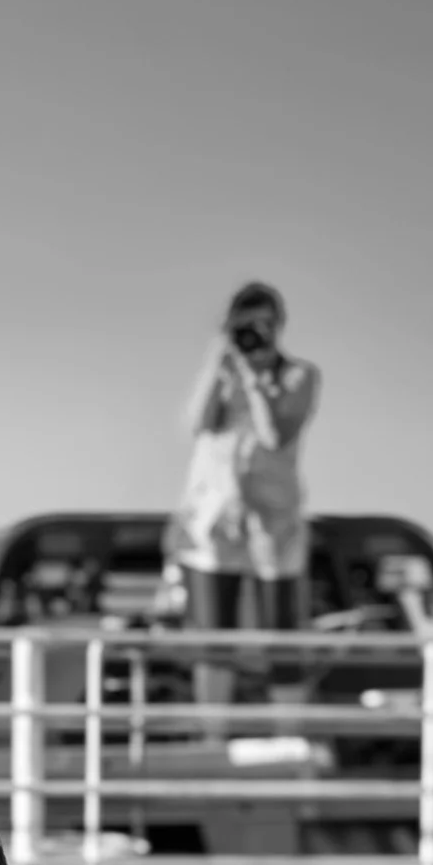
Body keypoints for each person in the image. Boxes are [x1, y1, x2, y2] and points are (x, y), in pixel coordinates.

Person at [167, 281, 323, 710]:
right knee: (213, 639)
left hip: (274, 524)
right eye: (245, 322)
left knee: (283, 637)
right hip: (213, 523)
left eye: (264, 322)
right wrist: (219, 359)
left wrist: (255, 381)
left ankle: (291, 738)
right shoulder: (221, 373)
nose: (256, 332)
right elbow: (196, 424)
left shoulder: (299, 376)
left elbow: (275, 436)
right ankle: (212, 741)